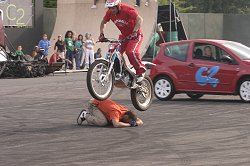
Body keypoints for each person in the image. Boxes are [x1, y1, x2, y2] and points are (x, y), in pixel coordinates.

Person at [99, 0, 146, 83]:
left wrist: (134, 32)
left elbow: (140, 19)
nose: (112, 10)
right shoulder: (109, 12)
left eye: (113, 7)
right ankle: (120, 72)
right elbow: (103, 22)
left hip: (135, 35)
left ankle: (140, 72)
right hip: (124, 36)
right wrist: (101, 34)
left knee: (130, 52)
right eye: (110, 8)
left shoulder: (127, 10)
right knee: (114, 53)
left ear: (118, 5)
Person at [78, 99, 143, 127]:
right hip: (94, 105)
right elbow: (116, 124)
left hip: (102, 105)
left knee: (110, 121)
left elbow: (140, 121)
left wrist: (135, 123)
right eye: (128, 121)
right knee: (103, 122)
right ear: (126, 117)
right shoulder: (116, 112)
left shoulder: (126, 112)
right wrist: (129, 125)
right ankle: (85, 115)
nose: (127, 122)